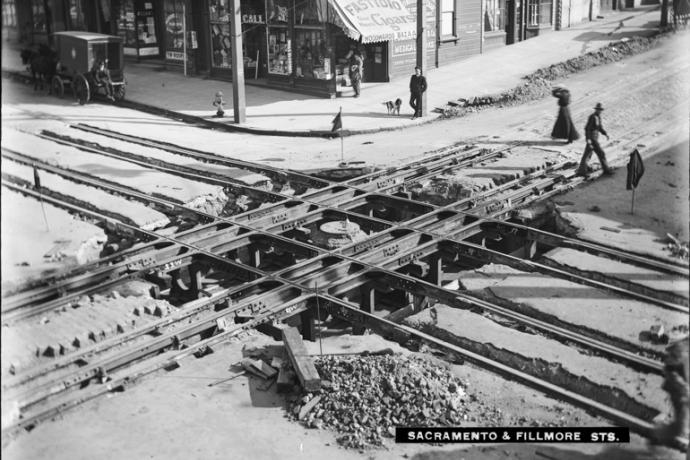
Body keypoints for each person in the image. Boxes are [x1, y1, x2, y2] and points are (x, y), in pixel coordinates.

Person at [651, 338, 689, 447]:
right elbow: (669, 370)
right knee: (680, 427)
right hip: (679, 393)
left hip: (684, 390)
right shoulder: (681, 348)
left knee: (684, 421)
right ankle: (657, 434)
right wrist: (684, 388)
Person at [576, 102, 613, 176]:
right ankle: (606, 170)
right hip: (592, 139)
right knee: (599, 153)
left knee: (588, 155)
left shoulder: (598, 117)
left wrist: (605, 134)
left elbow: (600, 127)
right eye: (598, 110)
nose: (599, 111)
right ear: (596, 110)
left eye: (600, 110)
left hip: (594, 138)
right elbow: (587, 129)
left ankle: (582, 171)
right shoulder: (592, 117)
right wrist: (588, 139)